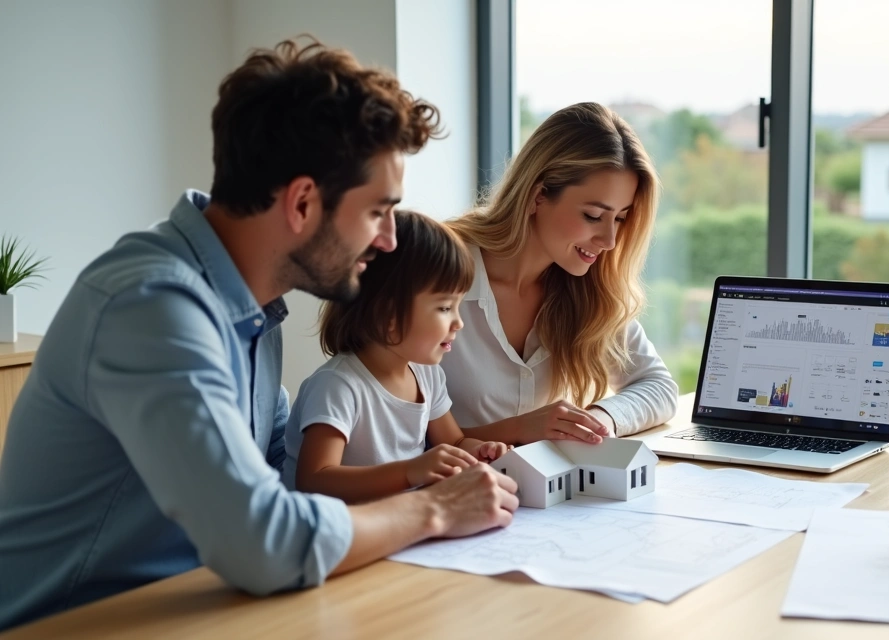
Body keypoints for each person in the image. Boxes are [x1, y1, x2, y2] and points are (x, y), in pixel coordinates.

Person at [0, 39, 517, 631]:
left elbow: (283, 487)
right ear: (301, 202)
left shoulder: (251, 310)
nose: (388, 241)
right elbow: (264, 540)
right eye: (378, 211)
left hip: (206, 609)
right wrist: (430, 510)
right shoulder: (152, 308)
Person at [443, 102, 679, 445]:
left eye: (621, 218)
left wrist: (598, 419)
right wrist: (524, 429)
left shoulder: (590, 289)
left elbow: (658, 386)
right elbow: (393, 438)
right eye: (594, 215)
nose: (610, 240)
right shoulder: (436, 269)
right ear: (539, 196)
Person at [285, 210, 510, 503]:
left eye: (458, 306)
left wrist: (478, 450)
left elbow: (454, 440)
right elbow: (313, 479)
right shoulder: (338, 385)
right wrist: (411, 471)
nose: (459, 323)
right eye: (444, 308)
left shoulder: (426, 375)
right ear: (389, 315)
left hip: (397, 523)